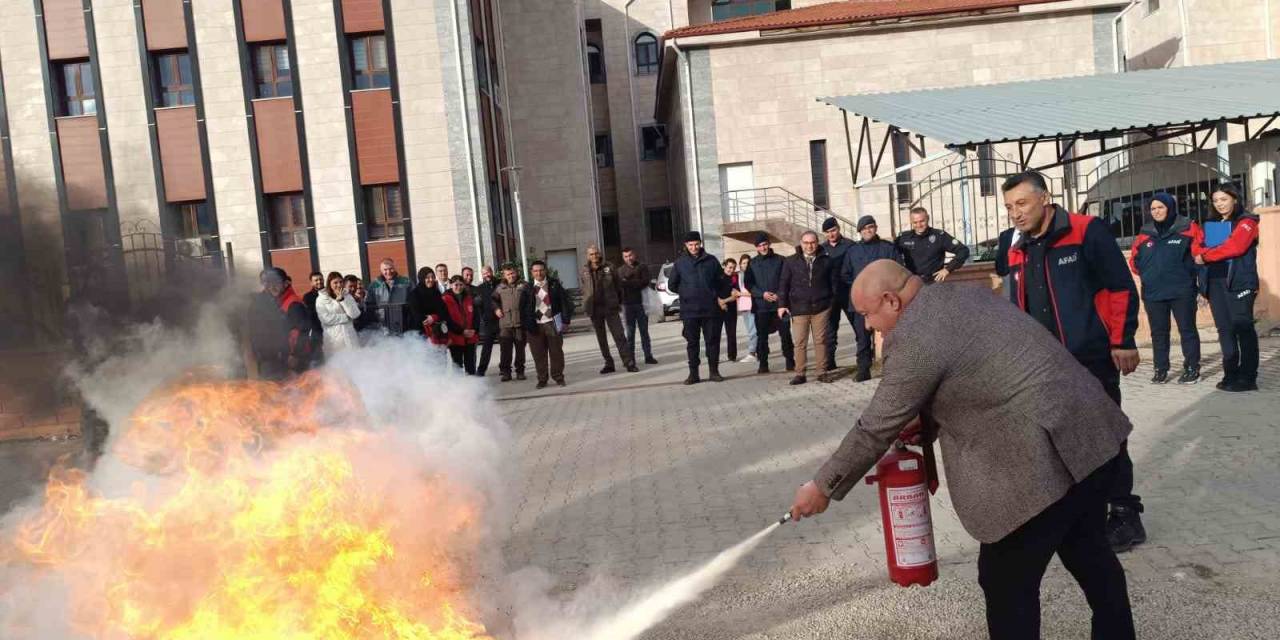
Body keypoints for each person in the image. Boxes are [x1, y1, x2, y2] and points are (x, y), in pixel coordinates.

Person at [788, 260, 1135, 640]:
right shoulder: (962, 294)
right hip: (1093, 435)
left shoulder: (915, 336)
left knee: (1005, 581)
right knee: (1089, 552)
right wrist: (929, 423)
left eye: (868, 315)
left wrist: (822, 487)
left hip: (1041, 461)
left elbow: (875, 428)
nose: (869, 326)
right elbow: (978, 371)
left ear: (891, 301)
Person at [1002, 171, 1146, 553]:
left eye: (1021, 203)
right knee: (1057, 439)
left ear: (1045, 198)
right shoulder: (1018, 248)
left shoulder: (1086, 231)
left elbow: (1120, 287)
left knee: (1107, 435)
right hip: (1042, 368)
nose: (1015, 213)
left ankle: (1124, 515)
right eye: (1009, 207)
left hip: (1091, 357)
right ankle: (1081, 513)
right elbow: (1015, 307)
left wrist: (1123, 340)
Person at [1128, 193, 1203, 385]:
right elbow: (1134, 261)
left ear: (1170, 207)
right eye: (1153, 209)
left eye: (1160, 207)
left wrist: (1191, 277)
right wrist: (1147, 274)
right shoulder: (1145, 232)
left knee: (1187, 330)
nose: (1157, 211)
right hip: (1153, 292)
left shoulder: (1187, 227)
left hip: (1182, 290)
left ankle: (1192, 367)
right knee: (1158, 332)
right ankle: (1160, 368)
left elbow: (1200, 255)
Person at [1194, 183, 1260, 392]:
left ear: (1234, 199)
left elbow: (1236, 246)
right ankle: (1230, 373)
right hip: (1215, 281)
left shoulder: (1247, 222)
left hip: (1239, 282)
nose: (1220, 204)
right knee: (1224, 329)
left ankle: (1248, 377)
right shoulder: (1211, 224)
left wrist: (1206, 255)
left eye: (1224, 199)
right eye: (1215, 200)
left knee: (1243, 327)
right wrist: (1203, 253)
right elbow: (1196, 246)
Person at [839, 215, 903, 382]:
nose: (867, 231)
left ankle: (893, 368)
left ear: (875, 228)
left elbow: (898, 269)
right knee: (862, 337)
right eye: (864, 228)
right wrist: (860, 286)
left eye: (870, 227)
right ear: (859, 231)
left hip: (885, 301)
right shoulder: (852, 251)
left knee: (890, 336)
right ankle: (863, 370)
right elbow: (845, 274)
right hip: (862, 302)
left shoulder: (888, 248)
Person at [667, 231, 731, 385]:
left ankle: (714, 372)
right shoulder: (680, 263)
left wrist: (718, 295)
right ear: (686, 246)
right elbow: (672, 285)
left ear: (700, 243)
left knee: (712, 341)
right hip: (690, 311)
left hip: (710, 309)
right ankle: (693, 374)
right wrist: (686, 293)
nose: (694, 247)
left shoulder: (711, 261)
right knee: (692, 343)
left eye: (696, 244)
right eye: (690, 245)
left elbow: (721, 282)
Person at [778, 231, 834, 386]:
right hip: (798, 308)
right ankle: (800, 373)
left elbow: (833, 283)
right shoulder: (790, 261)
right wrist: (782, 305)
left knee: (820, 340)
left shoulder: (826, 261)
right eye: (806, 242)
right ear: (801, 243)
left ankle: (822, 372)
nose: (809, 246)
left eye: (813, 242)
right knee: (800, 342)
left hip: (821, 307)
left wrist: (830, 302)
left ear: (817, 243)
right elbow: (783, 284)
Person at [580, 244, 637, 374]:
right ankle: (609, 363)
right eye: (591, 254)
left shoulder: (609, 267)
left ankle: (628, 362)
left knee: (619, 335)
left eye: (596, 253)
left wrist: (618, 302)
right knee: (601, 339)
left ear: (599, 254)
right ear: (587, 256)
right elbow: (584, 288)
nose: (594, 256)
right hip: (595, 310)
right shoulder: (584, 270)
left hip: (610, 307)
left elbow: (618, 286)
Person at [244, 268, 307, 380]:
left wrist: (295, 355)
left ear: (285, 283)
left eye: (276, 283)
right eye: (268, 283)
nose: (272, 287)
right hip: (266, 358)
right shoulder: (259, 303)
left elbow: (300, 331)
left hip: (284, 357)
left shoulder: (291, 303)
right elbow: (253, 331)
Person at [745, 234, 794, 374]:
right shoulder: (752, 263)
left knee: (785, 335)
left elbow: (786, 279)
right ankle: (763, 364)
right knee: (762, 337)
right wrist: (762, 294)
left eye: (765, 244)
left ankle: (790, 362)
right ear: (756, 247)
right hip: (761, 306)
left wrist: (780, 293)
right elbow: (749, 284)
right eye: (760, 245)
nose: (763, 247)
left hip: (780, 305)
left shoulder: (781, 260)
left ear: (769, 244)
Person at [522, 260, 573, 388]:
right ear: (532, 273)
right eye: (535, 271)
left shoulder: (554, 284)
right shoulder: (527, 288)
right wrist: (527, 325)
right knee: (539, 355)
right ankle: (542, 379)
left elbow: (565, 302)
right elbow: (522, 308)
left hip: (553, 323)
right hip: (536, 326)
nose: (538, 273)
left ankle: (558, 377)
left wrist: (566, 321)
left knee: (556, 353)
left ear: (545, 271)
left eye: (541, 270)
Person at [819, 217, 857, 372]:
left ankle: (866, 357)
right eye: (828, 232)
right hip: (830, 295)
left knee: (858, 326)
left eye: (833, 230)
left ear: (838, 229)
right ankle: (830, 361)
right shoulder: (821, 249)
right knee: (830, 330)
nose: (831, 234)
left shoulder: (850, 245)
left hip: (849, 292)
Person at [895, 207, 970, 283]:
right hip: (912, 283)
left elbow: (963, 251)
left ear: (928, 218)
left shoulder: (939, 236)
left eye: (922, 221)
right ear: (911, 221)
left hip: (934, 282)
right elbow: (890, 255)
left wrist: (947, 269)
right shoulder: (903, 238)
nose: (919, 225)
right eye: (915, 222)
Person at [617, 248, 658, 365]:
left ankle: (648, 356)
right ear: (623, 257)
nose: (628, 258)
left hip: (641, 304)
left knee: (644, 332)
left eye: (630, 255)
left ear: (634, 255)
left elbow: (645, 281)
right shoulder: (620, 271)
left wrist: (628, 283)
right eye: (625, 256)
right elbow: (619, 287)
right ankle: (631, 359)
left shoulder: (642, 267)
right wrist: (635, 282)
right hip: (627, 305)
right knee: (630, 334)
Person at [493, 265, 528, 381]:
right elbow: (493, 300)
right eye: (508, 274)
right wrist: (496, 309)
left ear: (516, 273)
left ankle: (520, 371)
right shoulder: (500, 287)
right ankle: (506, 372)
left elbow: (531, 301)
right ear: (504, 276)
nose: (511, 276)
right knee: (505, 351)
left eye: (512, 273)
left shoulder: (524, 285)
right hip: (505, 325)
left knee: (520, 350)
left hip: (520, 324)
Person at [441, 275, 479, 374]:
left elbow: (476, 316)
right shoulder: (445, 299)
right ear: (451, 285)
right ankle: (459, 387)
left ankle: (472, 385)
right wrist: (461, 331)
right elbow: (447, 319)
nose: (458, 287)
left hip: (470, 337)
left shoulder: (469, 298)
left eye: (461, 284)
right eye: (456, 285)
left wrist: (474, 329)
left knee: (471, 364)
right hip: (455, 337)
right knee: (457, 365)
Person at [315, 271, 361, 353]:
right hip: (334, 340)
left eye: (341, 282)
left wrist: (343, 300)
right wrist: (347, 317)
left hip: (350, 338)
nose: (339, 285)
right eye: (335, 283)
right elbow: (326, 319)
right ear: (329, 284)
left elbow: (355, 314)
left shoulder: (347, 295)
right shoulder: (321, 299)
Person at [368, 258, 413, 334]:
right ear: (381, 271)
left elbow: (413, 301)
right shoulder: (374, 285)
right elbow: (369, 305)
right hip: (382, 325)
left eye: (391, 269)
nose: (388, 272)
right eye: (385, 269)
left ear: (394, 268)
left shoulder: (406, 282)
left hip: (403, 324)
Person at [472, 266, 500, 376]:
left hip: (501, 319)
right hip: (488, 322)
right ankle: (481, 369)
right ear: (482, 275)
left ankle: (504, 368)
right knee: (486, 348)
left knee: (505, 346)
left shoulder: (500, 284)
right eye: (484, 273)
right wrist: (483, 317)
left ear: (492, 272)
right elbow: (477, 305)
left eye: (488, 272)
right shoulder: (480, 288)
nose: (486, 275)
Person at [408, 266, 445, 346]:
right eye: (427, 277)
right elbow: (416, 314)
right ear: (421, 278)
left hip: (438, 332)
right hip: (421, 334)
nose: (431, 280)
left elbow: (443, 311)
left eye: (432, 277)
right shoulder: (414, 294)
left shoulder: (436, 293)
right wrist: (427, 319)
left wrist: (433, 317)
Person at [719, 258, 741, 365]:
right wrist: (720, 303)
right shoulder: (718, 276)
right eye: (729, 267)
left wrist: (724, 301)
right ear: (724, 266)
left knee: (731, 332)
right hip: (717, 308)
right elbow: (713, 291)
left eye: (733, 268)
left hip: (731, 307)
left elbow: (736, 294)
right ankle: (714, 355)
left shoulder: (734, 277)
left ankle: (732, 355)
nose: (731, 270)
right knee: (715, 334)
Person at [736, 253, 757, 363]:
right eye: (743, 263)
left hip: (752, 305)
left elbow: (753, 292)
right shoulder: (739, 275)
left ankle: (752, 352)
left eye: (747, 263)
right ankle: (757, 351)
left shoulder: (752, 274)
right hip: (743, 306)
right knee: (750, 330)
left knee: (753, 330)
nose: (745, 265)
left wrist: (740, 294)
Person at [303, 271, 326, 366]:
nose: (319, 282)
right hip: (317, 333)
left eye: (320, 279)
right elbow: (311, 315)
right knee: (320, 361)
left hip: (333, 331)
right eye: (316, 280)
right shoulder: (308, 297)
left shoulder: (330, 293)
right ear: (311, 283)